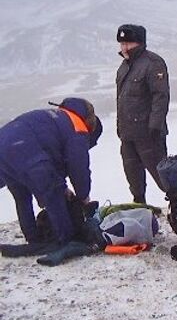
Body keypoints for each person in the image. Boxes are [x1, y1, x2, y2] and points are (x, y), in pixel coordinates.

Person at [0, 98, 102, 246]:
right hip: (26, 149)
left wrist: (64, 188)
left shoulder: (57, 118)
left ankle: (32, 238)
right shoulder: (77, 126)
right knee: (53, 194)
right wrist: (83, 197)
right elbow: (78, 166)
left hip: (4, 147)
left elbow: (52, 160)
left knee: (22, 197)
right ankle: (67, 240)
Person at [115, 24, 170, 203]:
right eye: (122, 43)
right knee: (133, 178)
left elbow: (160, 97)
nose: (124, 47)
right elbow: (121, 100)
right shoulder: (124, 67)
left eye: (129, 43)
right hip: (128, 134)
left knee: (163, 178)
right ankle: (140, 208)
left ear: (139, 43)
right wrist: (119, 127)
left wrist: (155, 126)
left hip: (148, 134)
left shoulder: (153, 63)